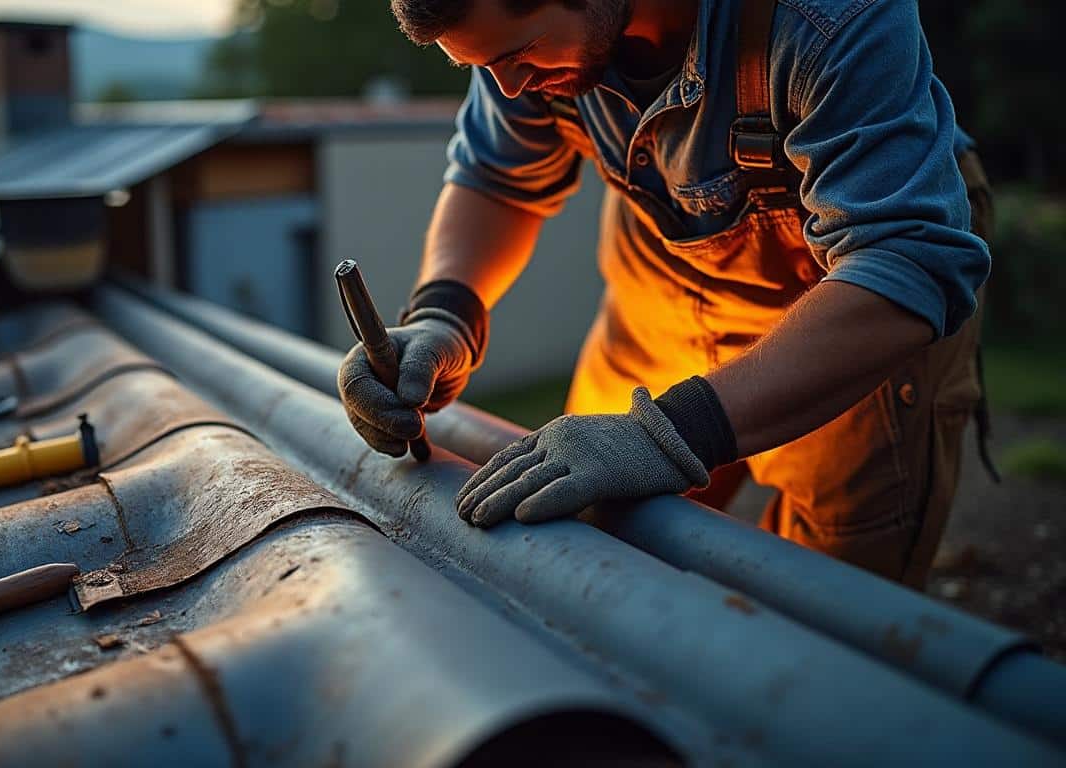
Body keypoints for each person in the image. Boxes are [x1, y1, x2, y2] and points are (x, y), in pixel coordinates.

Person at [338, 0, 995, 587]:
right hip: (658, 288)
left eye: (516, 57)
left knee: (825, 610)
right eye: (486, 69)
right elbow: (497, 179)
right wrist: (444, 316)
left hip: (844, 311)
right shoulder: (528, 45)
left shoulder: (829, 17)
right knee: (581, 548)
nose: (509, 88)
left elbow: (903, 261)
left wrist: (665, 437)